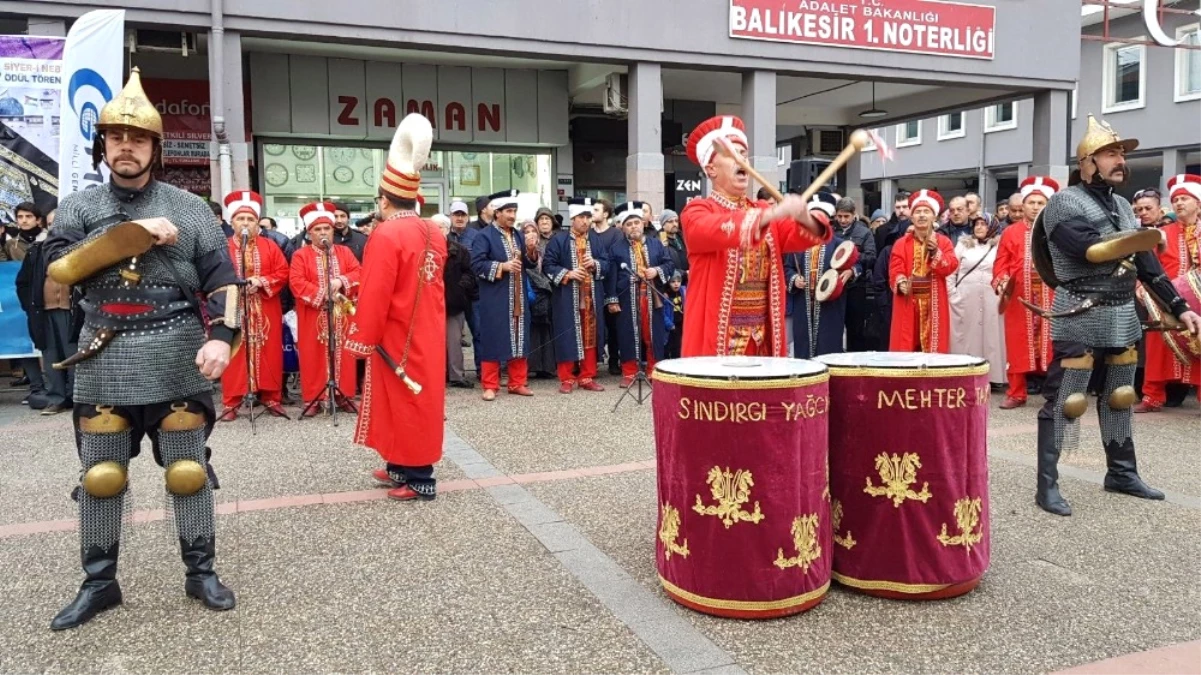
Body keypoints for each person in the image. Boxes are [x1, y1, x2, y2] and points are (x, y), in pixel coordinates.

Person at [42, 68, 239, 630]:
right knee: (101, 476)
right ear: (102, 145)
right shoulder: (80, 208)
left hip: (175, 351)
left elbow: (224, 282)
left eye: (137, 138)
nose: (125, 147)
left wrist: (222, 338)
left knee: (187, 471)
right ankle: (99, 582)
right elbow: (59, 270)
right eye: (115, 138)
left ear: (155, 147)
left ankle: (200, 571)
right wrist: (131, 234)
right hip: (103, 355)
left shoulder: (190, 207)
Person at [1032, 116, 1201, 517]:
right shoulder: (1064, 203)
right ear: (1088, 162)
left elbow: (1147, 264)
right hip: (1080, 310)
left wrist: (1178, 307)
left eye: (1122, 153)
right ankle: (1047, 485)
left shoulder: (1124, 206)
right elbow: (1087, 248)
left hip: (1123, 311)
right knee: (1066, 400)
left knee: (1121, 396)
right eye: (1111, 153)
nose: (1120, 160)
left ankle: (1122, 473)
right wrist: (1143, 237)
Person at [345, 114, 448, 501]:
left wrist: (361, 336)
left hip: (395, 332)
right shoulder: (432, 231)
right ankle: (400, 465)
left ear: (384, 200)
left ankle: (420, 476)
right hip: (427, 329)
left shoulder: (387, 233)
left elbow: (376, 290)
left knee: (405, 401)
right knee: (412, 400)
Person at [679, 115, 829, 357]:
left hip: (762, 332)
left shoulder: (761, 210)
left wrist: (804, 216)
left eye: (743, 154)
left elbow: (803, 236)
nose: (741, 160)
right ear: (711, 169)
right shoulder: (697, 209)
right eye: (731, 154)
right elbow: (707, 230)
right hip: (719, 331)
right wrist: (772, 213)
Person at [218, 191, 290, 421]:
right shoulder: (222, 246)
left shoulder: (270, 246)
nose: (246, 223)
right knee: (235, 352)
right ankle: (232, 402)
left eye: (250, 219)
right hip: (233, 308)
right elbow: (213, 274)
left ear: (257, 223)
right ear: (232, 222)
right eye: (241, 219)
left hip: (265, 307)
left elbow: (282, 272)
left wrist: (261, 281)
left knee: (269, 351)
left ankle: (271, 397)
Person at [1137, 174, 1201, 413]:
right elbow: (1145, 266)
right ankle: (1152, 396)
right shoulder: (1160, 233)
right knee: (1157, 348)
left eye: (1185, 198)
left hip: (1199, 302)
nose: (1179, 203)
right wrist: (1142, 290)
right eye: (1176, 200)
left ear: (1198, 203)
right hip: (1164, 302)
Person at [290, 202, 361, 416]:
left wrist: (341, 280)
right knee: (313, 355)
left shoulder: (345, 252)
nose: (323, 233)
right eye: (318, 229)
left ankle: (343, 395)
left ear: (333, 230)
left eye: (327, 229)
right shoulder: (300, 255)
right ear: (310, 232)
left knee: (344, 354)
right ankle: (314, 398)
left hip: (342, 315)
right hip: (313, 314)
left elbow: (359, 273)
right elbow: (296, 281)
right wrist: (321, 294)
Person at [993, 177, 1058, 409]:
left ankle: (1055, 393)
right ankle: (1016, 393)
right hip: (1020, 297)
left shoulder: (1058, 231)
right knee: (1017, 344)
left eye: (1041, 202)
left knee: (1053, 346)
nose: (1035, 206)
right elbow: (1001, 263)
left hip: (1052, 296)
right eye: (1031, 202)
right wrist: (1001, 282)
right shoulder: (1010, 232)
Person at [471, 189, 540, 400]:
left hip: (518, 296)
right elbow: (476, 265)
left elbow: (527, 264)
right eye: (509, 211)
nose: (512, 215)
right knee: (493, 338)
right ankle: (490, 385)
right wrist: (503, 266)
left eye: (514, 211)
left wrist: (530, 251)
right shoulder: (484, 236)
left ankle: (517, 382)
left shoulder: (518, 234)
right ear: (497, 213)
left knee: (520, 338)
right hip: (495, 298)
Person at [542, 197, 612, 394]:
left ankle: (587, 376)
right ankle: (566, 378)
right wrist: (568, 274)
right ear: (573, 218)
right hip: (567, 296)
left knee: (590, 335)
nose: (586, 221)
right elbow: (548, 265)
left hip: (591, 296)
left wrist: (595, 264)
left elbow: (607, 263)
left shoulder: (596, 239)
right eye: (582, 217)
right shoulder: (559, 240)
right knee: (567, 333)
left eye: (589, 217)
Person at [15, 203, 75, 415]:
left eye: (59, 224)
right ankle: (57, 398)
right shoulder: (36, 252)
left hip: (72, 312)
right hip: (44, 312)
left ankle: (79, 399)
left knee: (76, 355)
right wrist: (30, 307)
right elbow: (22, 283)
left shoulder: (80, 248)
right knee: (51, 357)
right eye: (50, 224)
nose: (54, 228)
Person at [609, 202, 674, 386]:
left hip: (652, 298)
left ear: (643, 223)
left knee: (652, 334)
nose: (633, 227)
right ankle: (629, 372)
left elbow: (669, 264)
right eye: (629, 224)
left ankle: (653, 369)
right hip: (627, 298)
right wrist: (614, 298)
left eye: (636, 222)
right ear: (622, 228)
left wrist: (656, 271)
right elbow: (611, 277)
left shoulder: (656, 245)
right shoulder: (616, 248)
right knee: (628, 334)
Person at [889, 190, 959, 353]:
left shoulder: (944, 241)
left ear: (934, 217)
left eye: (926, 212)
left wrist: (936, 253)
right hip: (908, 300)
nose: (921, 215)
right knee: (905, 345)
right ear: (911, 217)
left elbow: (951, 266)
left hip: (934, 300)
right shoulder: (900, 243)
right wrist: (900, 282)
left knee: (934, 347)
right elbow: (895, 267)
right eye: (917, 212)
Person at [785, 194, 851, 358]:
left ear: (828, 221)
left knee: (828, 348)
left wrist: (850, 271)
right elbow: (787, 267)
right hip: (804, 303)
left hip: (829, 306)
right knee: (803, 347)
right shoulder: (797, 243)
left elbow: (856, 262)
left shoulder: (838, 243)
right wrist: (794, 279)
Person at [949, 216, 1006, 386]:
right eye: (977, 224)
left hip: (992, 296)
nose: (979, 227)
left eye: (983, 224)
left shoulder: (999, 247)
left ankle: (994, 376)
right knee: (967, 335)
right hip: (966, 296)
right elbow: (951, 270)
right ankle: (965, 372)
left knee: (992, 334)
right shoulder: (963, 245)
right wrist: (952, 294)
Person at [8, 201, 49, 407]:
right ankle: (36, 388)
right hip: (21, 301)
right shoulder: (11, 245)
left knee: (50, 342)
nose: (24, 221)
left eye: (28, 217)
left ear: (38, 219)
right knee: (23, 342)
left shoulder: (49, 239)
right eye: (20, 217)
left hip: (47, 299)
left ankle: (57, 386)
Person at [832, 197, 877, 351]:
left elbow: (871, 257)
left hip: (856, 286)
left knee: (855, 330)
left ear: (854, 214)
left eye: (846, 216)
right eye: (840, 216)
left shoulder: (864, 233)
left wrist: (852, 267)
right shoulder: (831, 232)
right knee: (834, 328)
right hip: (834, 287)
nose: (843, 220)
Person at [591, 198, 623, 375]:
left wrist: (613, 292)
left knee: (613, 325)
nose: (592, 213)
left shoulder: (615, 234)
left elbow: (615, 262)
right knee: (592, 323)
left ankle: (613, 360)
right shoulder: (589, 234)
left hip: (611, 283)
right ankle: (593, 360)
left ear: (605, 214)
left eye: (596, 210)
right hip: (592, 284)